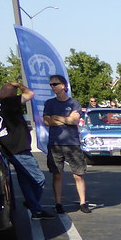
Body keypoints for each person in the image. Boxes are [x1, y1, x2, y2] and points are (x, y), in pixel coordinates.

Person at [0, 82, 52, 219]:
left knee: (25, 180)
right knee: (38, 179)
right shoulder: (10, 102)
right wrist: (20, 85)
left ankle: (36, 210)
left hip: (5, 148)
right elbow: (30, 94)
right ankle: (32, 203)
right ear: (11, 94)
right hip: (19, 148)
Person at [42, 74, 88, 213]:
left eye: (54, 84)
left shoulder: (74, 103)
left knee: (78, 174)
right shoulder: (49, 103)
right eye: (50, 85)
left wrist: (57, 118)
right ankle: (58, 203)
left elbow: (74, 121)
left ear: (63, 85)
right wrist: (65, 119)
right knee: (57, 174)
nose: (52, 87)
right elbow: (46, 121)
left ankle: (82, 202)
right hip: (55, 143)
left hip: (72, 143)